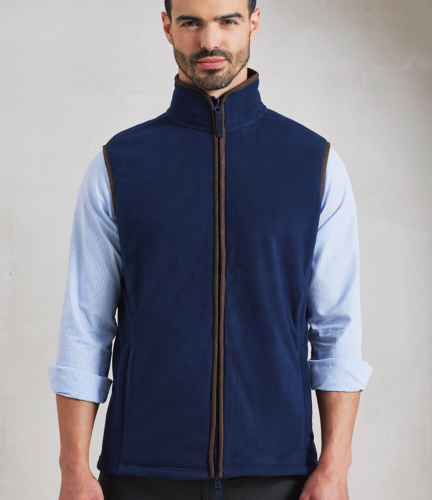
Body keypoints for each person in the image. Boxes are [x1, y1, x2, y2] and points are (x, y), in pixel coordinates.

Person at [48, 1, 373, 499]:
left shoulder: (314, 164)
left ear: (254, 23)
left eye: (227, 20)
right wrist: (73, 469)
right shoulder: (119, 165)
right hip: (142, 474)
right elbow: (85, 327)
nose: (209, 41)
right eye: (191, 22)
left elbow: (337, 329)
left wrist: (336, 466)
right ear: (167, 27)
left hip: (277, 473)